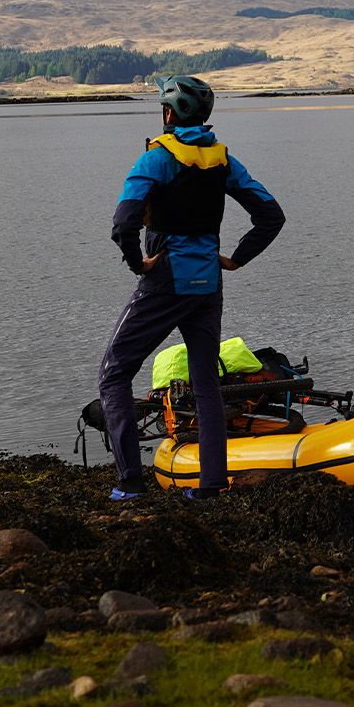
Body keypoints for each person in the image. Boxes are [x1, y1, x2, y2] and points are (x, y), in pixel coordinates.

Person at [97, 75, 284, 500]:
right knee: (205, 386)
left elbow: (123, 224)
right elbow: (271, 216)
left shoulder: (155, 159)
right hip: (208, 286)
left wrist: (136, 263)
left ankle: (130, 483)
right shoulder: (224, 161)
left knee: (114, 373)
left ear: (168, 113)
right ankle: (211, 485)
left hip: (164, 282)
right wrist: (237, 257)